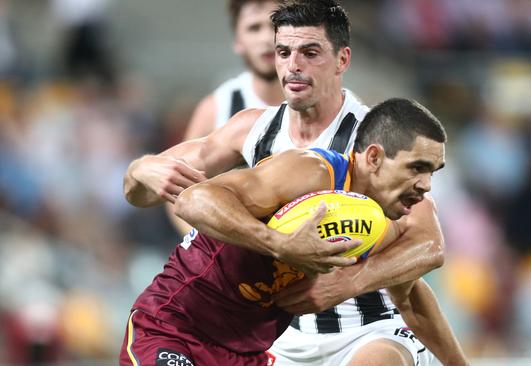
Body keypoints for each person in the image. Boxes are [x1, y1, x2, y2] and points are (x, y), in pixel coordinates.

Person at [123, 1, 467, 365]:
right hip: (278, 335)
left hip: (365, 327)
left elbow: (428, 243)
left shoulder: (371, 143)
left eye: (310, 52)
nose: (294, 65)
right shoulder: (252, 128)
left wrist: (351, 282)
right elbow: (149, 194)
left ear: (343, 60)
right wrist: (142, 169)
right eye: (284, 53)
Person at [166, 0, 285, 234]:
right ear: (238, 43)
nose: (265, 38)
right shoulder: (216, 107)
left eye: (275, 26)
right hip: (237, 256)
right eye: (254, 28)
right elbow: (175, 191)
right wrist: (204, 245)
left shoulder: (328, 101)